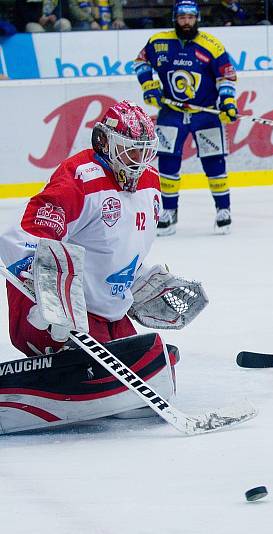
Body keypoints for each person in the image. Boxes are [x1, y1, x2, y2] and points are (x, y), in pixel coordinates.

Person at [0, 100, 208, 431]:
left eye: (145, 152)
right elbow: (21, 237)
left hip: (107, 313)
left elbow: (119, 251)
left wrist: (142, 282)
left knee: (154, 364)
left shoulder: (151, 184)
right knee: (123, 376)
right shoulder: (79, 178)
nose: (138, 162)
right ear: (105, 142)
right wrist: (49, 298)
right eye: (129, 151)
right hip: (56, 312)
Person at [134, 0, 238, 236]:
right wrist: (150, 87)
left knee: (213, 161)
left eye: (191, 17)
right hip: (172, 112)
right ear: (175, 18)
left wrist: (228, 101)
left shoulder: (212, 45)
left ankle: (224, 209)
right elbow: (140, 62)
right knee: (168, 161)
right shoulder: (159, 41)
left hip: (205, 112)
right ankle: (169, 211)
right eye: (182, 17)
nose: (187, 22)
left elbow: (227, 76)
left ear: (197, 18)